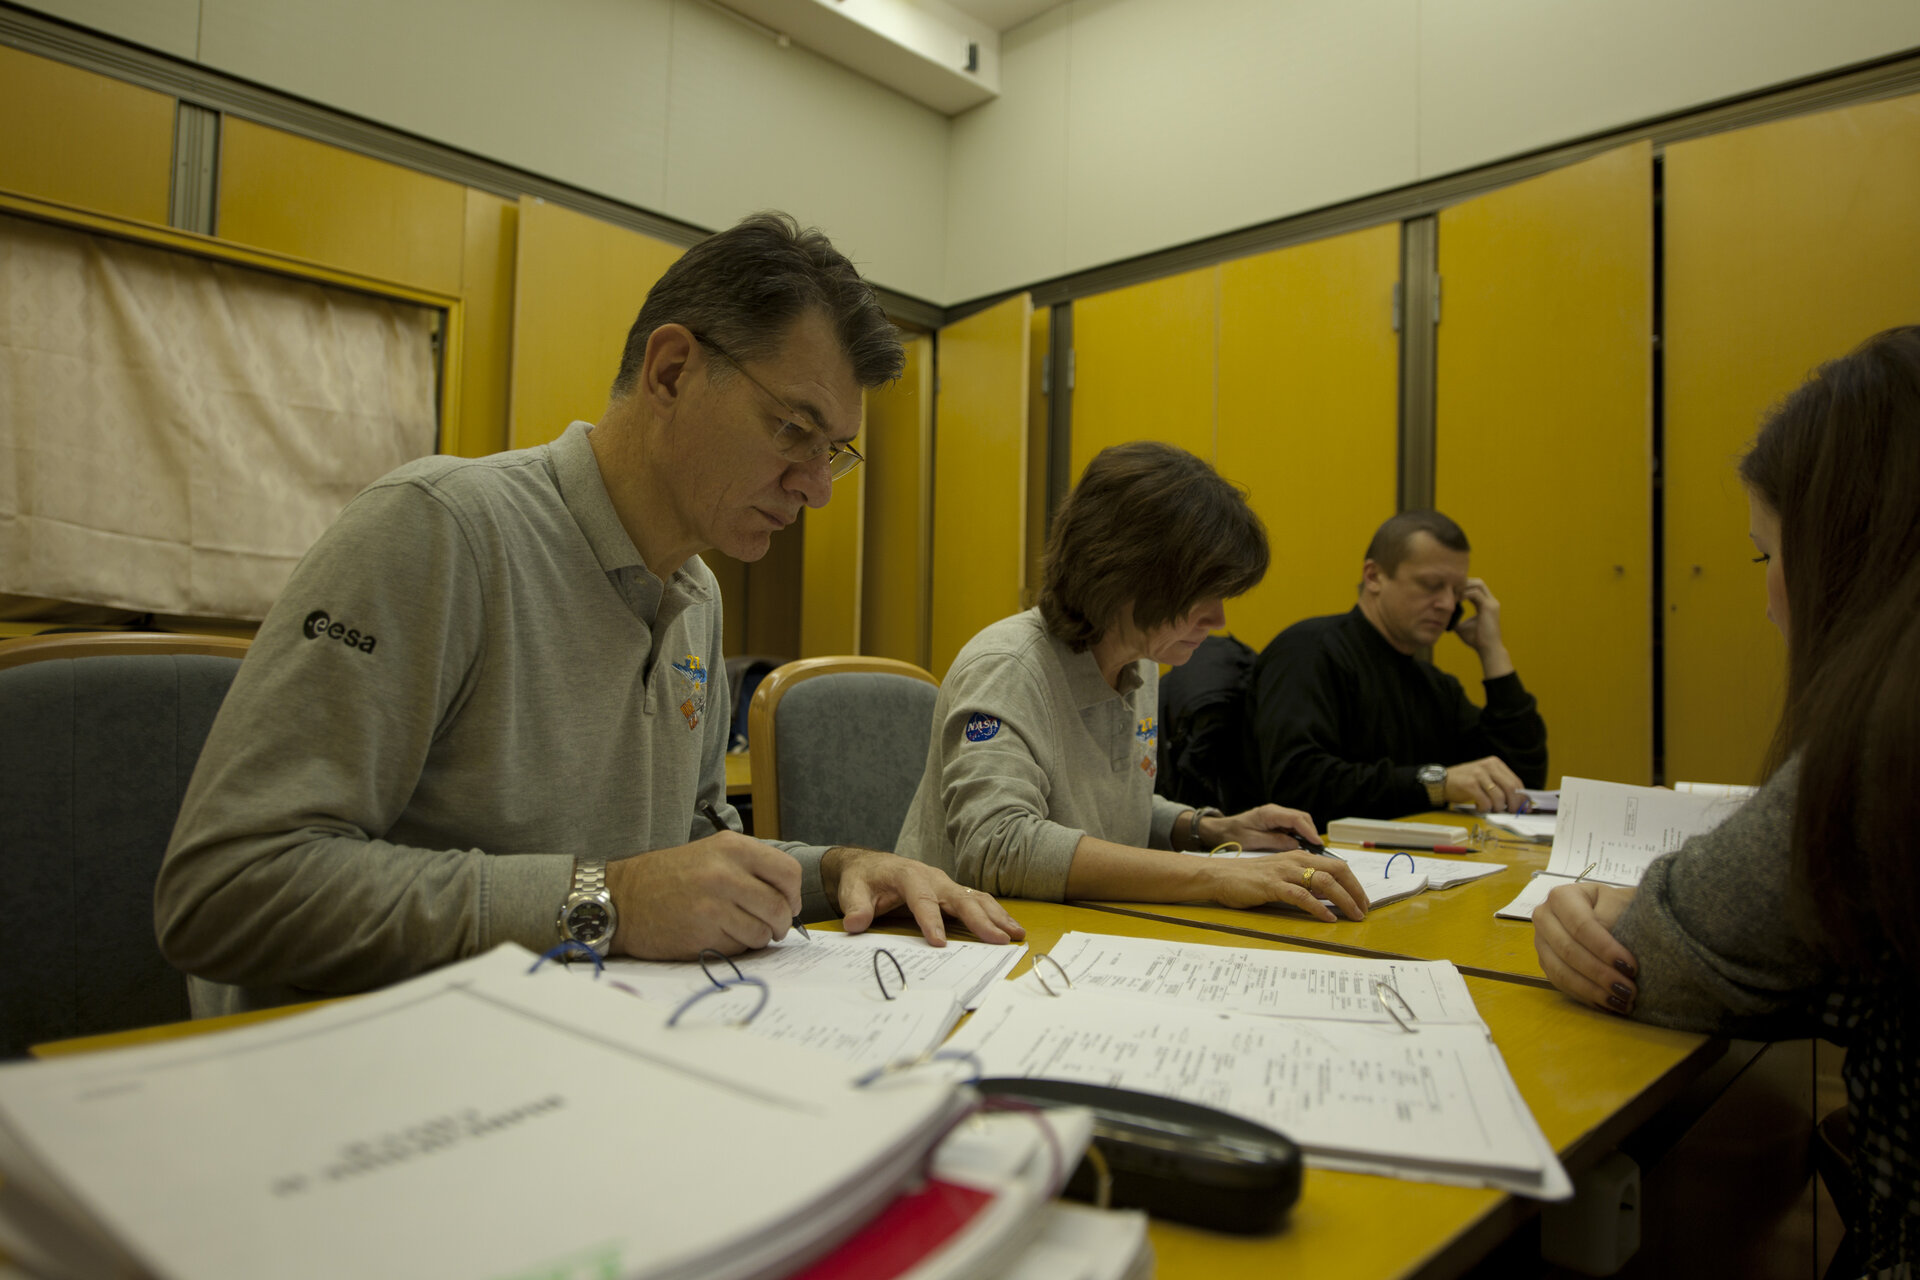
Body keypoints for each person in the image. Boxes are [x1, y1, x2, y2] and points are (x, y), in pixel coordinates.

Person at [155, 212, 1022, 1016]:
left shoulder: (697, 598)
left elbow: (690, 848)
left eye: (834, 451)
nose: (818, 488)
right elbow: (227, 891)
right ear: (671, 371)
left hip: (581, 1043)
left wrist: (840, 870)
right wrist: (608, 902)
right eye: (794, 429)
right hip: (363, 1065)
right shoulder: (441, 530)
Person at [1533, 327, 1920, 1274]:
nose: (1771, 600)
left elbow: (1661, 945)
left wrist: (1496, 660)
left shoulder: (1887, 741)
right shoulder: (1319, 653)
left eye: (1765, 558)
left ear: (1847, 549)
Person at [895, 442, 1370, 921]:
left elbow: (1103, 816)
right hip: (972, 943)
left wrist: (1210, 829)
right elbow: (999, 847)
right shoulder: (1008, 667)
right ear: (1124, 575)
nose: (1219, 619)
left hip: (1080, 929)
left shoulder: (1141, 661)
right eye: (1201, 594)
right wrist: (1217, 875)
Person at [1248, 510, 1548, 819]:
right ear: (1374, 576)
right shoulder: (1308, 651)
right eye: (1431, 585)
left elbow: (1518, 783)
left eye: (1458, 592)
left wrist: (1492, 651)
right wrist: (1435, 784)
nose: (1448, 604)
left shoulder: (1437, 687)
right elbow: (1298, 787)